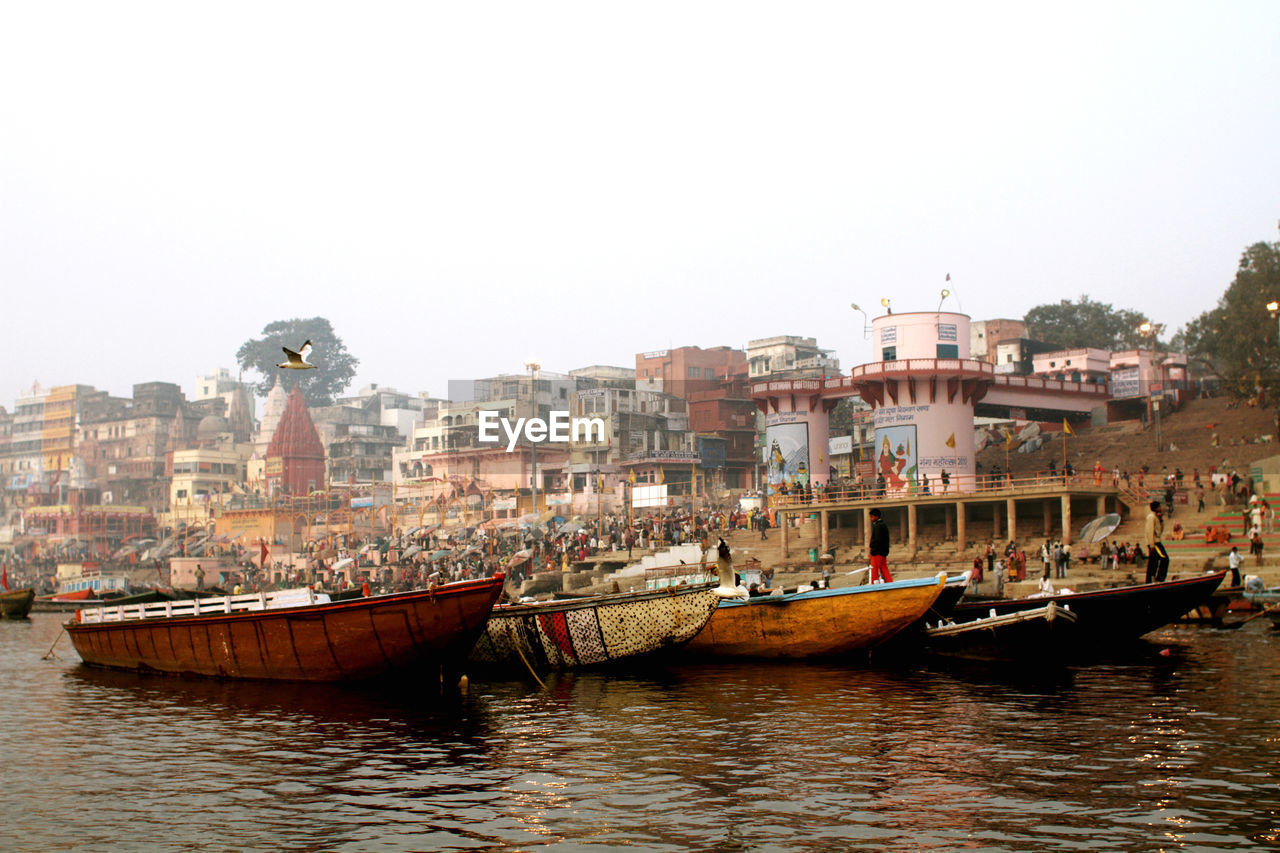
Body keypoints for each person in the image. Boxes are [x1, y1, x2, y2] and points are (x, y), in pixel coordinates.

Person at [1145, 500, 1169, 583]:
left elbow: (1160, 531)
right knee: (1165, 559)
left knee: (1153, 562)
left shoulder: (1156, 517)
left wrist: (1161, 520)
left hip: (1157, 541)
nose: (1160, 508)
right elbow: (1150, 531)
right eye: (1159, 507)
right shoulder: (1151, 517)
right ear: (1156, 508)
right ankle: (1160, 579)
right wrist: (1151, 545)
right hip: (1154, 543)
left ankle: (1150, 580)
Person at [868, 507, 893, 583]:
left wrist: (873, 550)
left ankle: (873, 585)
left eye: (872, 517)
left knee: (874, 569)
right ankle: (890, 582)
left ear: (876, 516)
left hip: (877, 552)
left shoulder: (878, 526)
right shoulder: (883, 525)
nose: (871, 519)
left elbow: (878, 540)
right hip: (883, 552)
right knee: (884, 568)